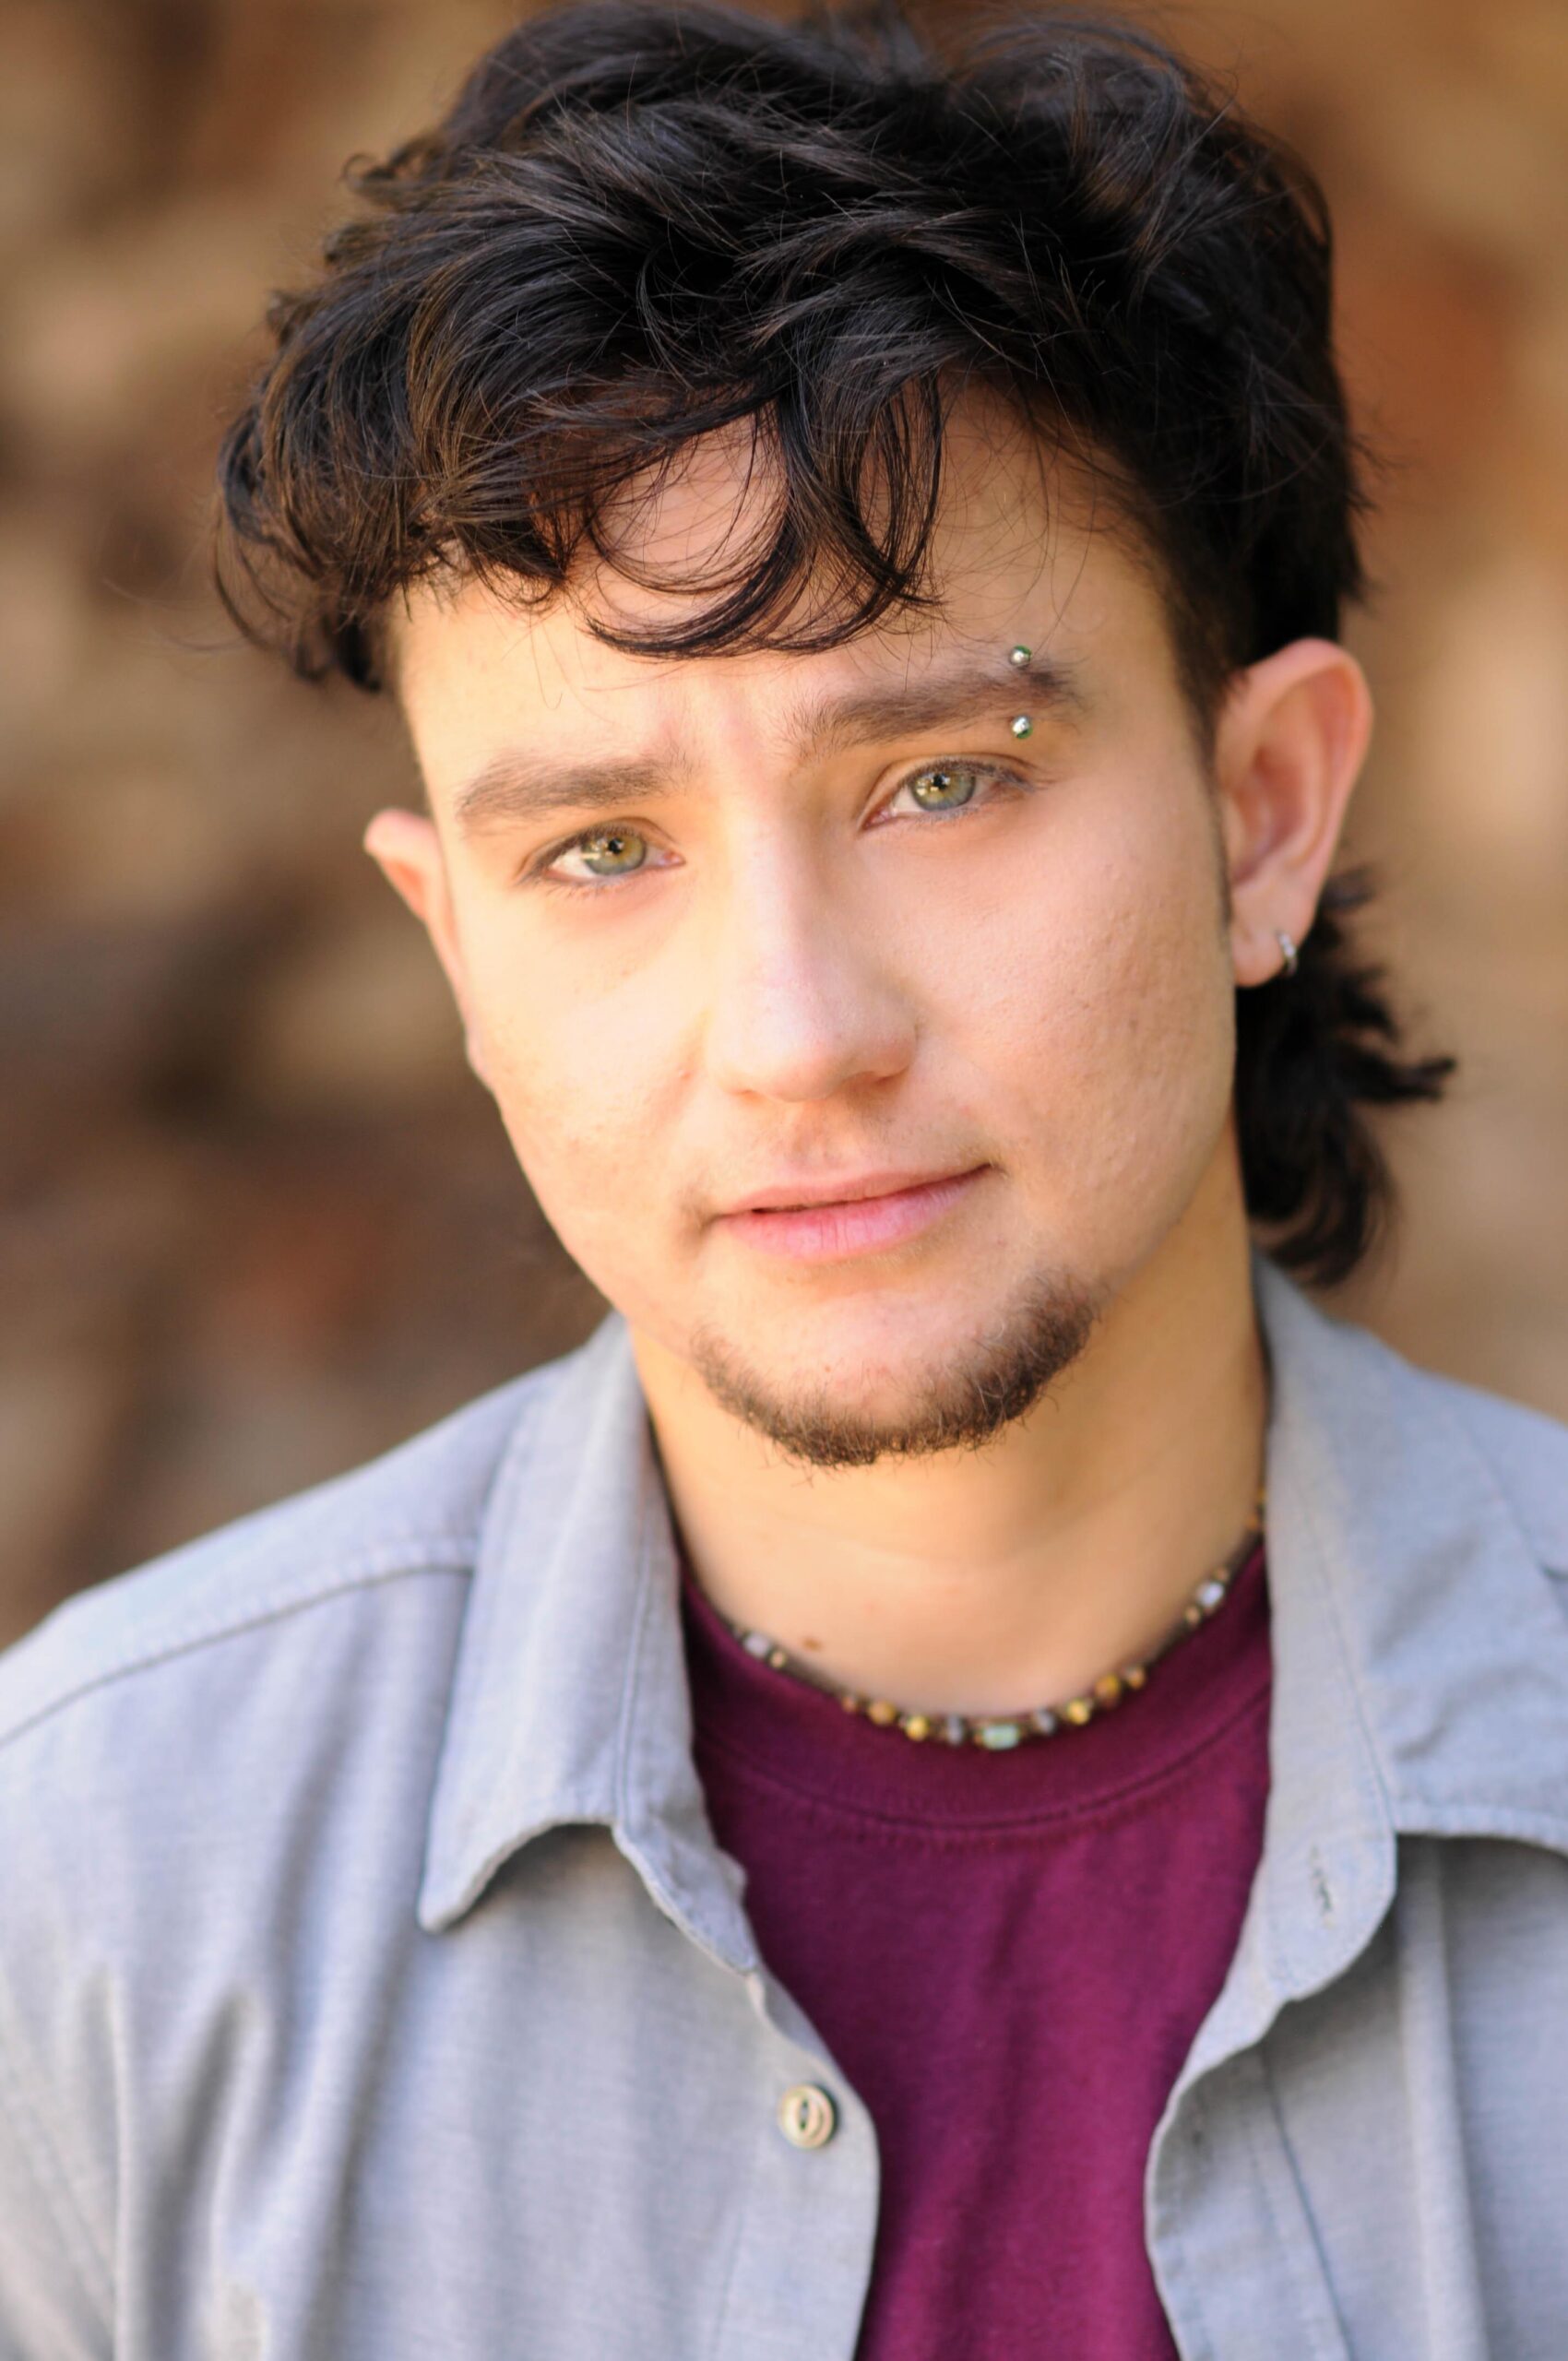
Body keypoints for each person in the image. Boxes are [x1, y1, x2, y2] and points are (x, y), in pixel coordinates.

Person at [2, 2, 1564, 2354]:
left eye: (943, 779)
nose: (797, 1031)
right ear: (453, 945)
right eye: (601, 847)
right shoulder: (97, 1880)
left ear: (1260, 813)